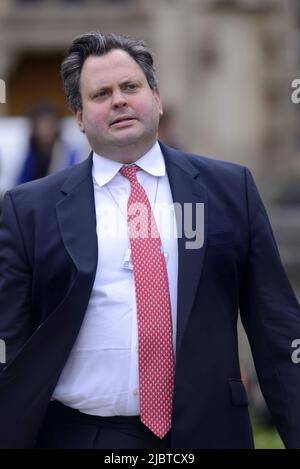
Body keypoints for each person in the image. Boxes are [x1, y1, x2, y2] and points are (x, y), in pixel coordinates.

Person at [0, 31, 300, 449]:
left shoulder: (231, 190)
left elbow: (278, 332)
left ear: (156, 98)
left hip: (210, 435)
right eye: (101, 93)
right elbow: (8, 344)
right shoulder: (29, 209)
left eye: (130, 87)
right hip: (82, 436)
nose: (119, 100)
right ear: (80, 117)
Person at [16, 102, 78, 185]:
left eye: (49, 125)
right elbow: (21, 184)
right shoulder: (32, 153)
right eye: (41, 125)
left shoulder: (66, 153)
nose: (45, 131)